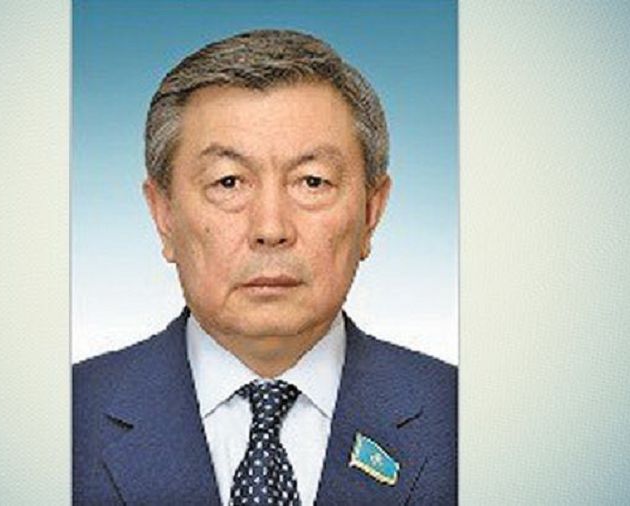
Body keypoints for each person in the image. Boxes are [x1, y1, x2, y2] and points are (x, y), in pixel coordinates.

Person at [73, 29, 456, 505]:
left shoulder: (461, 416)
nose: (271, 228)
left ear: (371, 212)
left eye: (312, 182)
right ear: (164, 215)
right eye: (228, 182)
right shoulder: (66, 416)